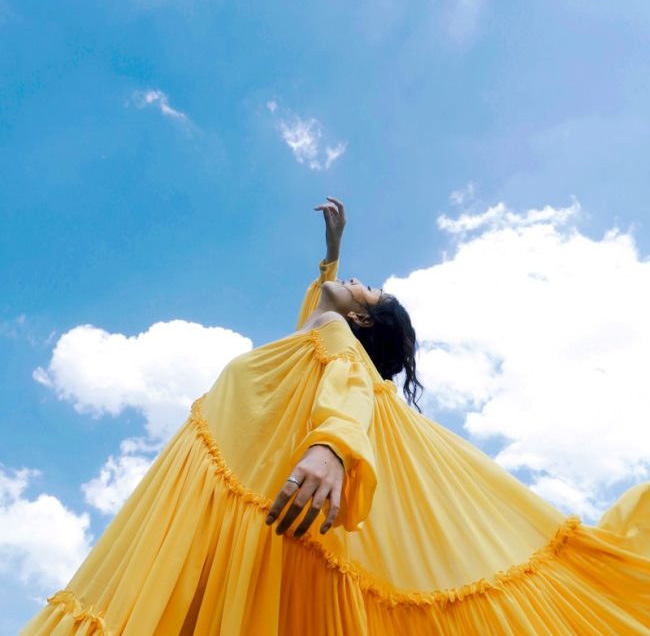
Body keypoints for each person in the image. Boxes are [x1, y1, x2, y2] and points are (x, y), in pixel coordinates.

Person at [21, 198, 650, 635]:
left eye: (368, 290)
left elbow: (350, 383)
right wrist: (332, 255)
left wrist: (332, 448)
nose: (359, 282)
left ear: (362, 322)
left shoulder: (335, 344)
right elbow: (317, 320)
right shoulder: (314, 338)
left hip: (251, 502)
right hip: (222, 503)